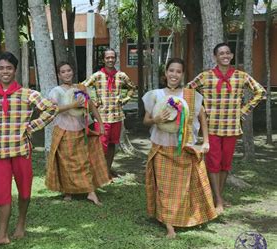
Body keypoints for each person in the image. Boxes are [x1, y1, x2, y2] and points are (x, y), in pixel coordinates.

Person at [0, 52, 57, 248]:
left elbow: (51, 109)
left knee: (25, 192)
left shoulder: (28, 94)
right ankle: (2, 234)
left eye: (9, 68)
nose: (5, 71)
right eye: (1, 68)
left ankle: (21, 223)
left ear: (15, 70)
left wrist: (30, 127)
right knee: (2, 194)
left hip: (21, 151)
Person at [143, 58, 217, 238]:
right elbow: (146, 121)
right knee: (164, 188)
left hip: (183, 148)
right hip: (161, 147)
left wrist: (206, 141)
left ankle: (184, 218)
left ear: (182, 75)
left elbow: (202, 118)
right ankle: (170, 226)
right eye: (171, 70)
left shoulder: (191, 96)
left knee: (182, 188)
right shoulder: (155, 95)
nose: (174, 74)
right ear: (165, 73)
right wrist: (155, 120)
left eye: (178, 71)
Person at [187, 43, 265, 213]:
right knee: (214, 163)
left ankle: (218, 197)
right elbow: (187, 91)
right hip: (212, 128)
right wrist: (199, 111)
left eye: (227, 53)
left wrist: (243, 111)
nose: (225, 55)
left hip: (232, 128)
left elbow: (260, 92)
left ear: (231, 56)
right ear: (215, 57)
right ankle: (218, 199)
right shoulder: (205, 76)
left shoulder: (241, 76)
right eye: (221, 53)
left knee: (225, 164)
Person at [45, 61, 109, 205]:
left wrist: (100, 123)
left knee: (83, 162)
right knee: (66, 163)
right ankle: (68, 191)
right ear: (59, 75)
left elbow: (91, 106)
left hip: (80, 130)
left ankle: (91, 192)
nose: (67, 73)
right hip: (63, 130)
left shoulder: (81, 88)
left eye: (69, 70)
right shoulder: (56, 91)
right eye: (63, 72)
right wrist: (73, 105)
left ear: (72, 72)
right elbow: (53, 110)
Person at [82, 48, 136, 179]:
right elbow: (82, 87)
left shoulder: (121, 76)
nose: (110, 60)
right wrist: (92, 101)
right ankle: (97, 174)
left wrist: (125, 99)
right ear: (104, 59)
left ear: (115, 58)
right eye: (108, 57)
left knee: (112, 144)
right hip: (102, 118)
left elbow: (132, 88)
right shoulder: (97, 76)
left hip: (117, 116)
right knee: (100, 147)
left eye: (112, 57)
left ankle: (107, 171)